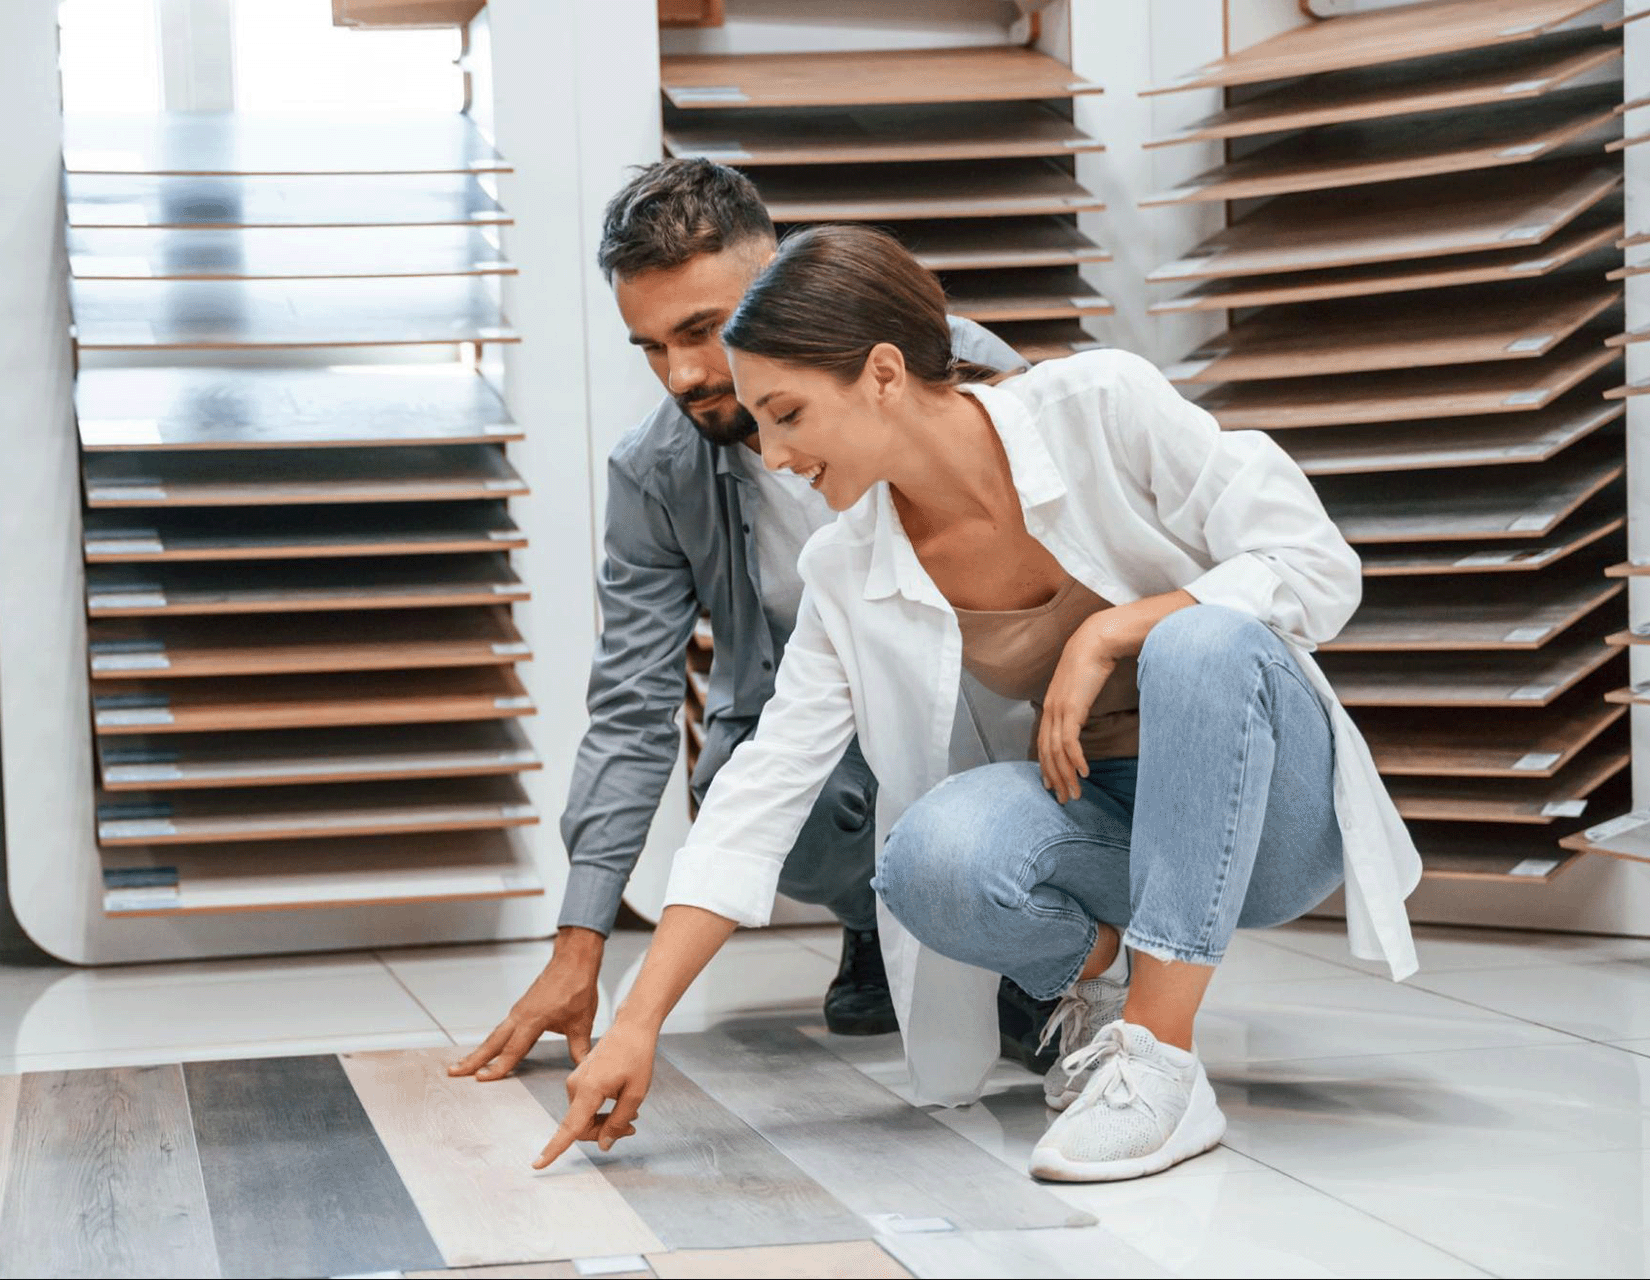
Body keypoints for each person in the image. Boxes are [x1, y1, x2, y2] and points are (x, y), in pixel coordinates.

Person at [532, 224, 1422, 1184]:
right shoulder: (845, 564)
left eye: (788, 416)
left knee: (1200, 641)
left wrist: (1111, 631)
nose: (778, 457)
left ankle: (1160, 1070)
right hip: (1112, 826)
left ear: (881, 374)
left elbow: (1317, 564)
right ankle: (1109, 985)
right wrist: (637, 1022)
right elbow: (762, 790)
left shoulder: (1101, 404)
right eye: (762, 426)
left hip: (1270, 825)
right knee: (926, 862)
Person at [448, 161, 1024, 1082]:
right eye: (648, 346)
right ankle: (882, 921)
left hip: (993, 702)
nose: (679, 374)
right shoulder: (655, 473)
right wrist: (580, 943)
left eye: (703, 330)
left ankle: (1032, 941)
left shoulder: (946, 364)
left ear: (779, 281)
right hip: (824, 740)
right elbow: (632, 709)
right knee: (747, 792)